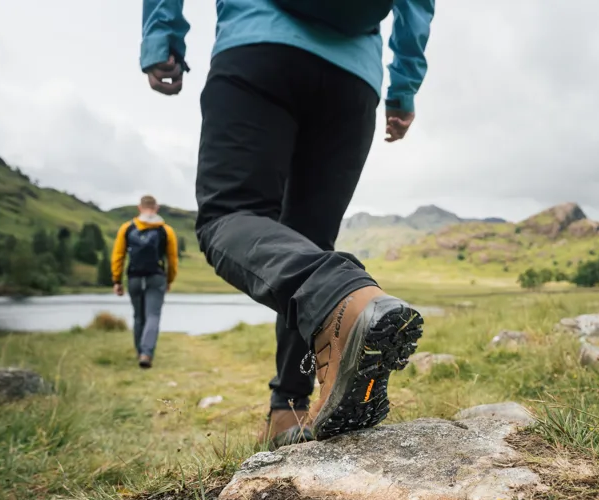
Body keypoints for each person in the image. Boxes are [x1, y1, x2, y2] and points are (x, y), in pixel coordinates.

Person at [140, 0, 434, 447]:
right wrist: (404, 87)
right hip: (353, 80)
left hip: (258, 46)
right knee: (306, 242)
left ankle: (341, 293)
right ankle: (289, 410)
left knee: (229, 216)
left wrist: (161, 35)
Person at [111, 195, 179, 369]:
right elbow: (172, 259)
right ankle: (146, 353)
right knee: (153, 315)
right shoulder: (166, 230)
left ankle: (140, 351)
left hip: (134, 277)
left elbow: (118, 256)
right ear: (156, 208)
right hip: (156, 277)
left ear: (139, 208)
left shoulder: (126, 228)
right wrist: (169, 279)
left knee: (138, 316)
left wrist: (117, 280)